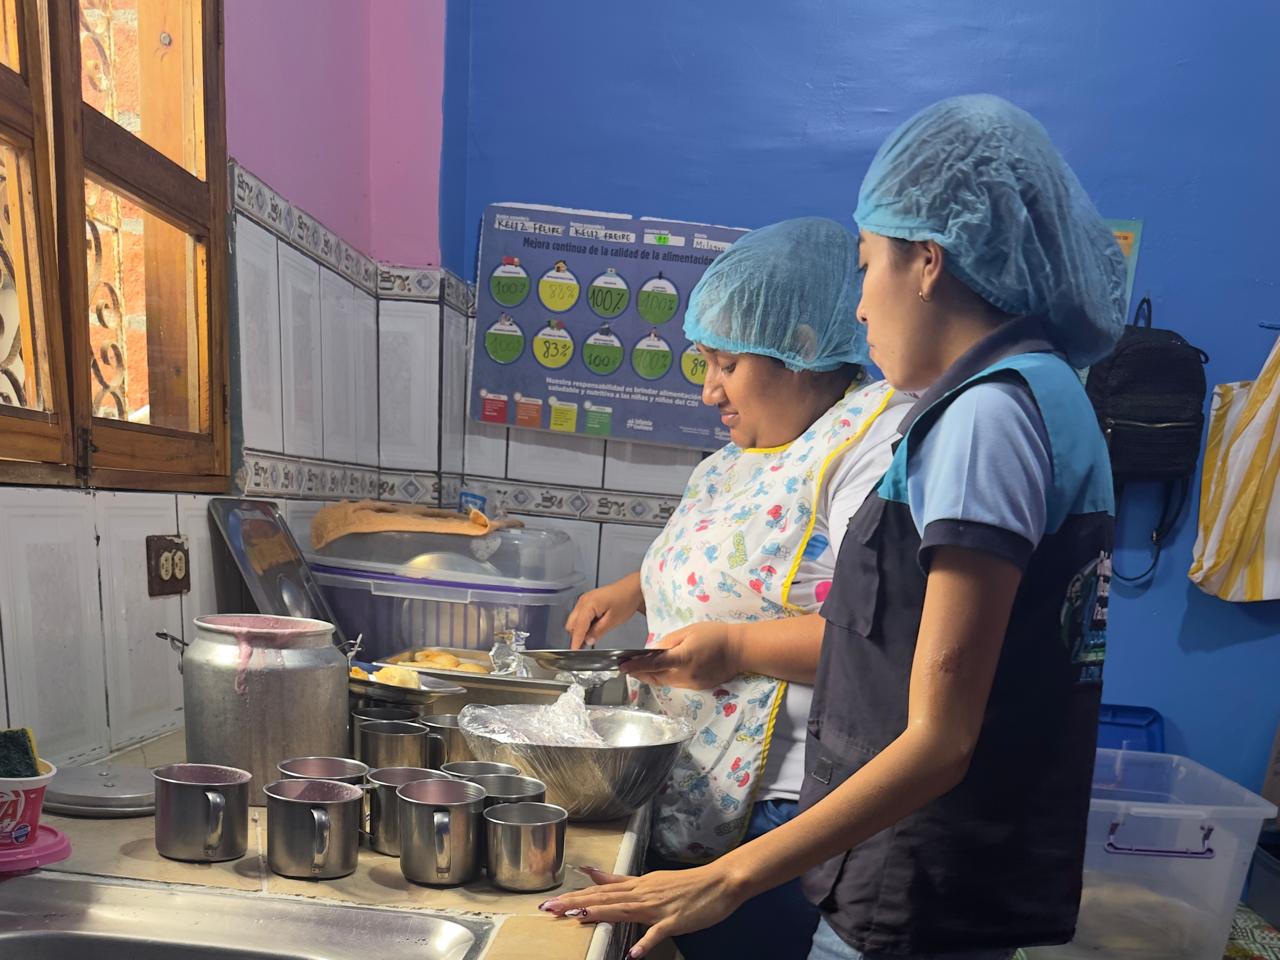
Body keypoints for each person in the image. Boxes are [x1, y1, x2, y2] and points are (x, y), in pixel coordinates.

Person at [544, 94, 1126, 960]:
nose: (857, 308)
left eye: (867, 265)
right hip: (963, 871)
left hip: (917, 873)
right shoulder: (1046, 394)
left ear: (926, 261)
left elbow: (940, 739)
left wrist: (727, 878)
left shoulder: (983, 418)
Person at [564, 216, 911, 960]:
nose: (706, 391)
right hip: (693, 785)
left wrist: (736, 648)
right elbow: (732, 563)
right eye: (704, 363)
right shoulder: (737, 455)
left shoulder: (872, 442)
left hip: (783, 809)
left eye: (726, 363)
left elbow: (882, 636)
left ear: (804, 348)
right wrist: (635, 589)